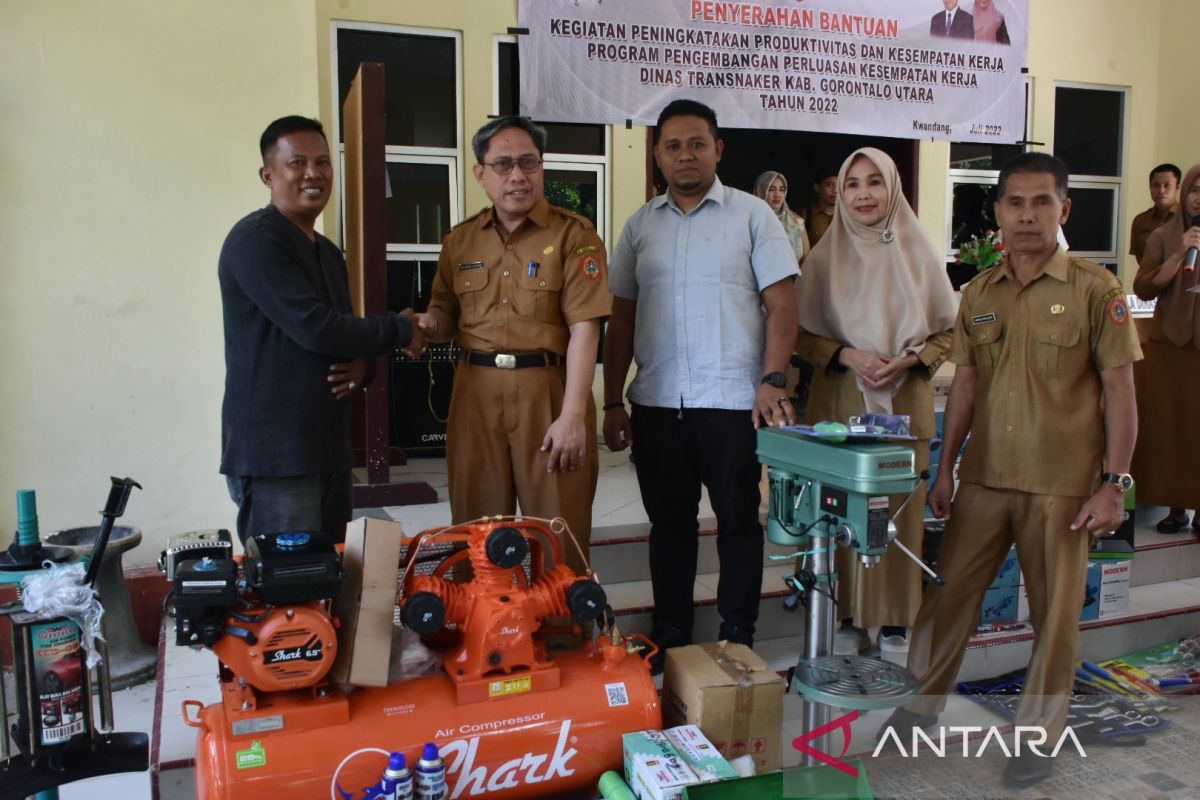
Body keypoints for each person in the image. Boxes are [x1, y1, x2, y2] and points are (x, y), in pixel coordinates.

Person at [880, 153, 1141, 789]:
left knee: (1054, 619)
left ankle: (1038, 736)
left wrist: (1116, 483)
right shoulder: (981, 294)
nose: (1027, 216)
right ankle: (920, 704)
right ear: (997, 213)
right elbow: (964, 386)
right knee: (947, 598)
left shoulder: (1094, 290)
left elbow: (1121, 393)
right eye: (1015, 204)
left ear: (1063, 210)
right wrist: (945, 472)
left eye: (1041, 203)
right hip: (987, 480)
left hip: (1063, 485)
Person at [603, 99, 799, 657]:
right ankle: (671, 638)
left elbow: (783, 307)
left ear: (719, 149)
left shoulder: (753, 216)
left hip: (735, 402)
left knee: (738, 524)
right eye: (672, 146)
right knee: (669, 528)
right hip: (659, 404)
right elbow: (621, 320)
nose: (684, 155)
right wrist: (613, 402)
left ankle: (738, 637)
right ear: (657, 156)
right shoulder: (640, 226)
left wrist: (773, 380)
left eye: (696, 143)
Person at [414, 116, 610, 577]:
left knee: (557, 530)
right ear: (481, 173)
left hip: (549, 393)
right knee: (476, 531)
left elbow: (586, 328)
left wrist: (574, 415)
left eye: (528, 163)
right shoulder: (460, 240)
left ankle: (562, 636)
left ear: (542, 168)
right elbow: (445, 317)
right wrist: (425, 323)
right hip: (475, 393)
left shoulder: (574, 235)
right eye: (503, 164)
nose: (517, 175)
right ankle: (483, 640)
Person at [219, 115, 424, 544]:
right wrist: (401, 329)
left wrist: (365, 368)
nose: (313, 174)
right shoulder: (255, 241)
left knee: (329, 579)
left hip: (328, 448)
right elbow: (315, 328)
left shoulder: (327, 251)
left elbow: (342, 335)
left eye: (323, 162)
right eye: (297, 164)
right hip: (278, 456)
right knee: (289, 589)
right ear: (268, 174)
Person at [794, 148, 958, 661]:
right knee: (840, 505)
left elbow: (947, 329)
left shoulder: (918, 250)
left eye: (874, 183)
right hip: (841, 400)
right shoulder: (822, 257)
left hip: (903, 402)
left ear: (893, 189)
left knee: (895, 511)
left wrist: (909, 360)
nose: (864, 194)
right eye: (852, 185)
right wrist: (846, 353)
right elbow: (798, 334)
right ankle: (843, 610)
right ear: (838, 193)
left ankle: (893, 616)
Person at [1131, 163, 1200, 533]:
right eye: (1195, 189)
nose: (1199, 197)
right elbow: (1143, 288)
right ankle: (1175, 510)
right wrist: (1180, 253)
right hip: (1169, 350)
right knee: (1170, 429)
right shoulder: (1162, 236)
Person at [1129, 163, 1182, 266]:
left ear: (1177, 188)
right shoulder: (1140, 221)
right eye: (1156, 185)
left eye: (1167, 185)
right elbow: (1140, 258)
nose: (1161, 191)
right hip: (1149, 279)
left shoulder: (1187, 217)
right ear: (1150, 187)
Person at [754, 171, 810, 264]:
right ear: (761, 190)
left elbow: (806, 258)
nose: (777, 194)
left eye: (781, 189)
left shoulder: (796, 222)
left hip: (792, 277)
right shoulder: (750, 220)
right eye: (771, 189)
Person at [802, 164, 839, 245]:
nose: (836, 190)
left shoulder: (850, 215)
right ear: (817, 188)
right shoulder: (805, 216)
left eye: (839, 185)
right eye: (829, 185)